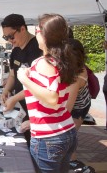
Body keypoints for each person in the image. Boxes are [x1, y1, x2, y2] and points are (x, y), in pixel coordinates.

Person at [17, 13, 82, 172]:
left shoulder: (44, 62)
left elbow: (52, 99)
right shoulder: (61, 59)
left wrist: (24, 79)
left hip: (48, 138)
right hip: (66, 131)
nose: (36, 33)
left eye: (37, 30)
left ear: (44, 35)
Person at [0, 14, 42, 145]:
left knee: (33, 146)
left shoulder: (38, 49)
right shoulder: (16, 50)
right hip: (20, 108)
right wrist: (6, 91)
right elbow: (13, 74)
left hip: (36, 108)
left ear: (22, 29)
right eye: (5, 37)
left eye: (11, 36)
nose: (9, 40)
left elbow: (38, 85)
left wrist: (14, 98)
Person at [66, 38, 94, 172]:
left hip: (79, 108)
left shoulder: (79, 74)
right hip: (77, 104)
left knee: (69, 134)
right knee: (69, 134)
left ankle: (73, 162)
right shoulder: (71, 67)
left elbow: (67, 109)